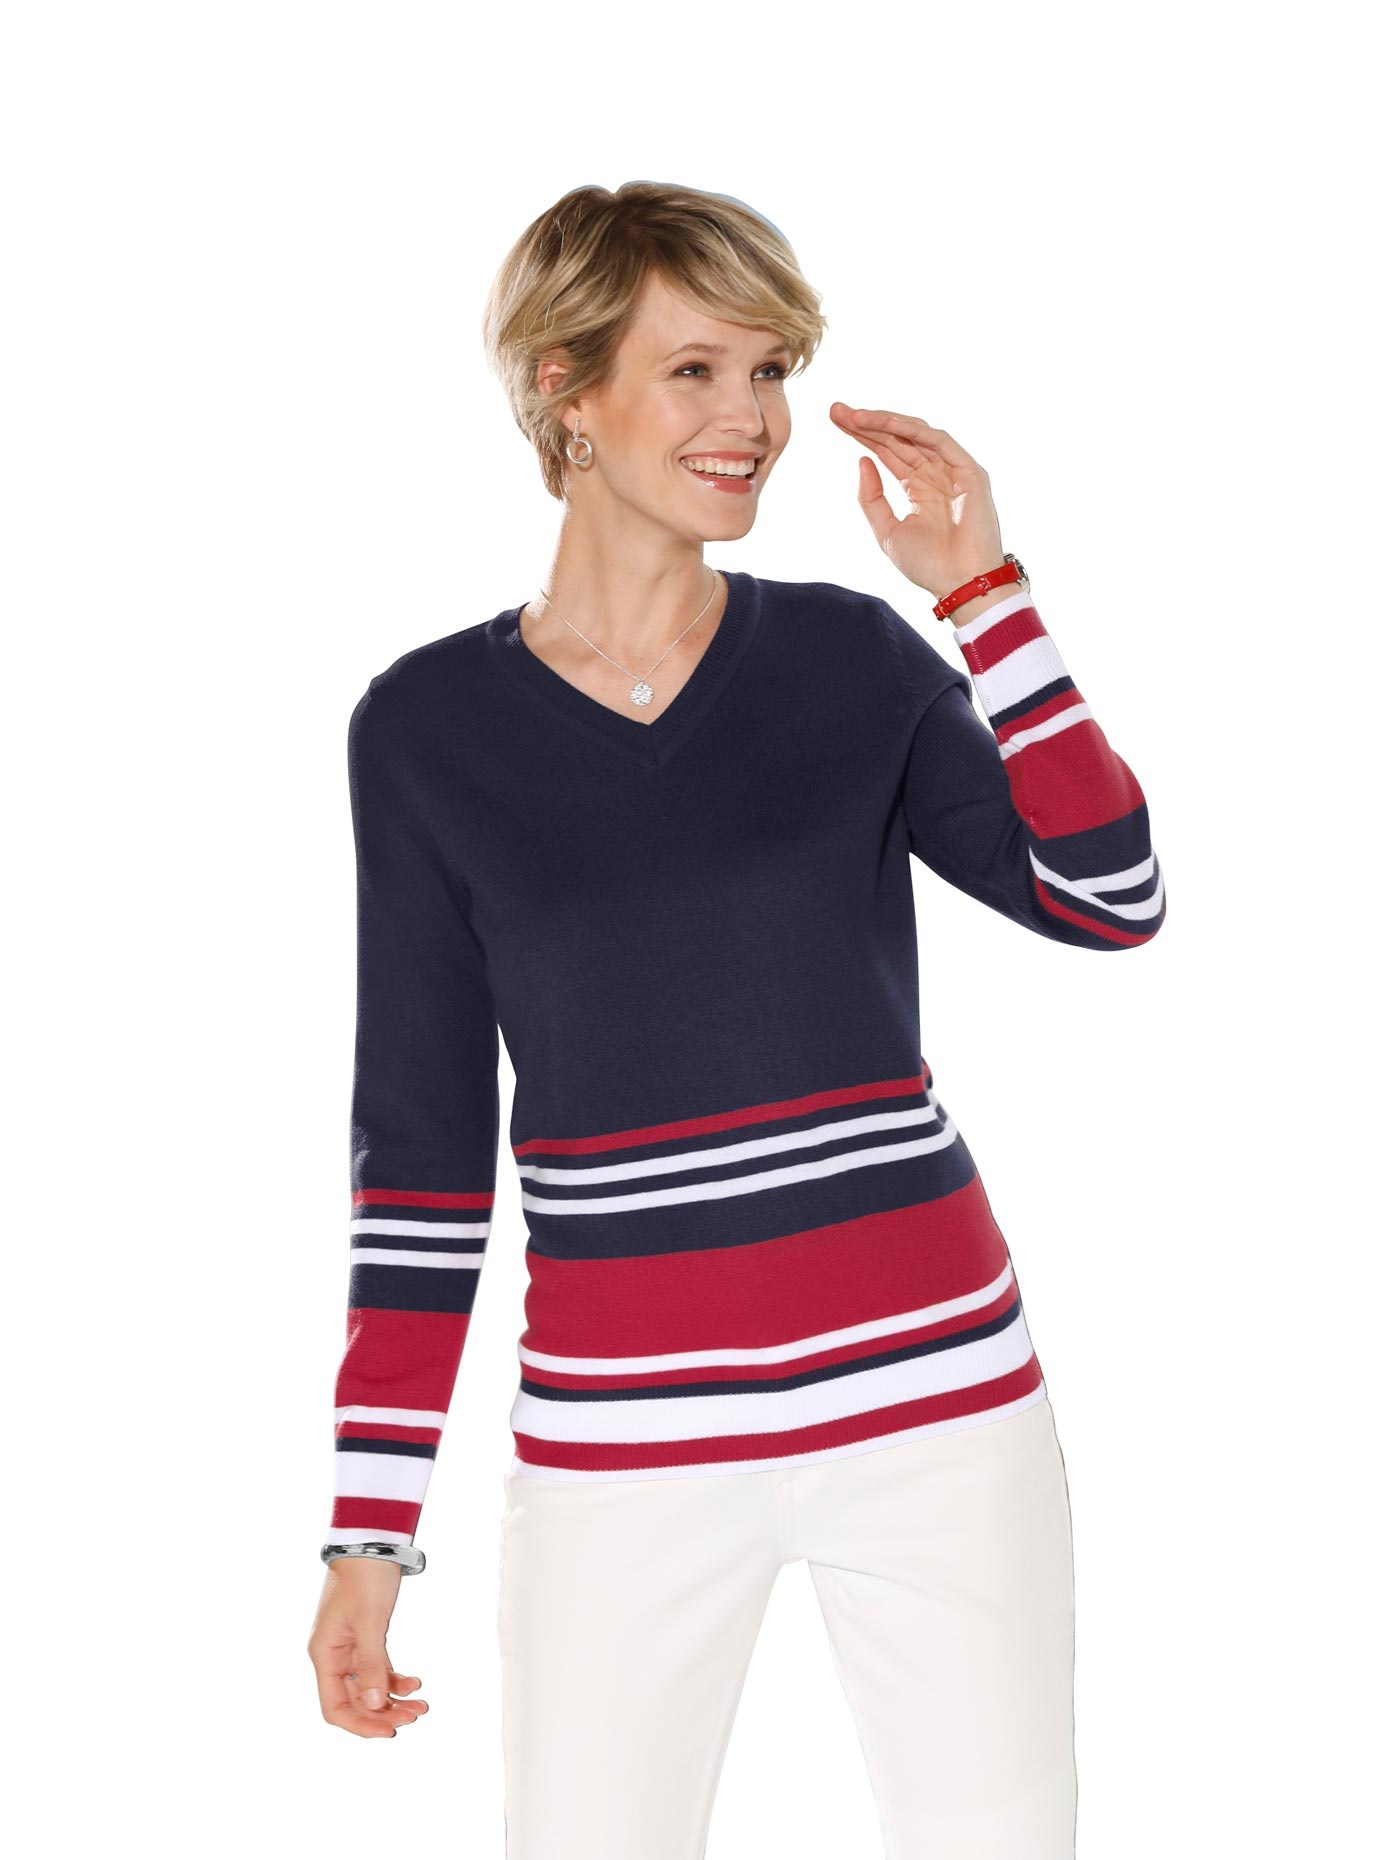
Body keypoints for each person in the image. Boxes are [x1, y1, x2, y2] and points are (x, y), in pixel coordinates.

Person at [306, 180, 1166, 1858]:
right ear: (563, 388)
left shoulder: (850, 661)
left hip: (939, 1411)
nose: (751, 420)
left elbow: (1106, 896)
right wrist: (368, 1528)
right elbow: (418, 1159)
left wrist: (983, 597)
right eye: (694, 369)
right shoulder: (423, 731)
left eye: (769, 371)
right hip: (621, 1449)